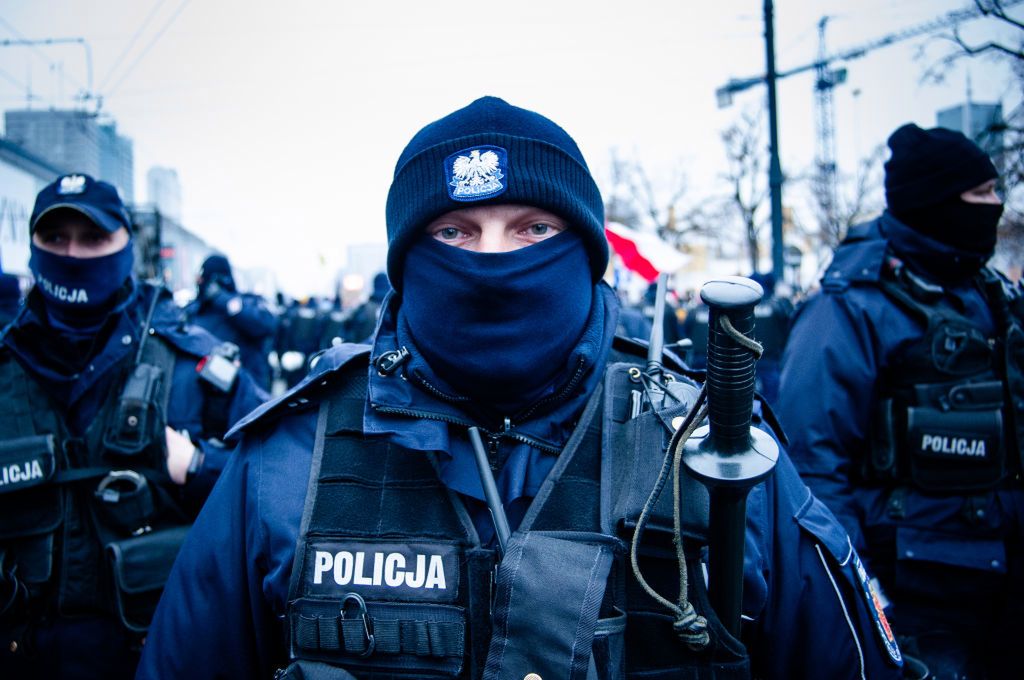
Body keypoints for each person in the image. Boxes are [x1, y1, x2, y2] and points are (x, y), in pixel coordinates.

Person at [139, 97, 903, 680]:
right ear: (408, 258)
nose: (492, 261)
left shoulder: (708, 446)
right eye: (456, 233)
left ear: (588, 254)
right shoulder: (286, 460)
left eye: (532, 228)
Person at [776, 123, 1022, 678]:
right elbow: (811, 467)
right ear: (937, 200)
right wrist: (862, 591)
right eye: (982, 192)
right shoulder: (847, 308)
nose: (997, 204)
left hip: (1005, 582)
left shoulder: (992, 296)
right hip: (918, 595)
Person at [0, 174, 267, 678]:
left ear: (126, 244)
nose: (74, 254)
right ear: (32, 245)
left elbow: (280, 482)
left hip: (155, 655)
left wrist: (198, 465)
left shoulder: (197, 368)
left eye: (94, 238)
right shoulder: (5, 370)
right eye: (55, 238)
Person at [185, 253, 277, 390]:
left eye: (203, 277)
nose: (199, 282)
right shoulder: (195, 310)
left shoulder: (245, 304)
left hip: (244, 396)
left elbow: (266, 325)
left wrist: (223, 299)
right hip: (202, 394)